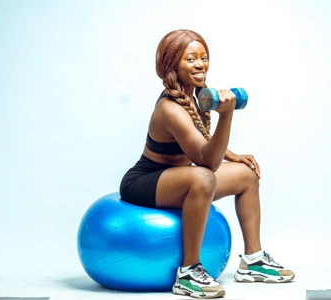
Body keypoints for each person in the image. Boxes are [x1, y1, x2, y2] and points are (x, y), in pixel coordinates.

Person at [119, 29, 294, 299]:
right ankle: (188, 272)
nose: (200, 64)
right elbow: (207, 162)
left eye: (204, 57)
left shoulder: (196, 97)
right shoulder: (170, 108)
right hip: (145, 181)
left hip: (177, 175)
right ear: (172, 64)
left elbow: (200, 139)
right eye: (191, 59)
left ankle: (253, 260)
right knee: (203, 177)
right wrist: (226, 117)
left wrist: (232, 156)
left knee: (246, 175)